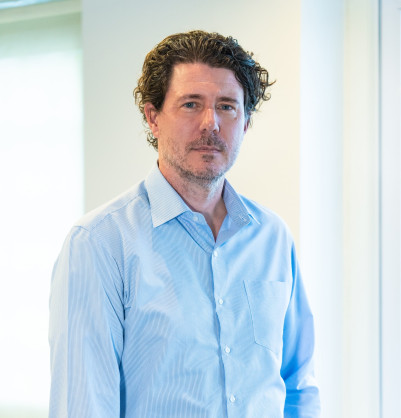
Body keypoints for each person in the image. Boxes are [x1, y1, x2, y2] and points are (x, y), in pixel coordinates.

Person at [49, 30, 320, 417]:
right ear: (153, 118)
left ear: (245, 123)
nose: (211, 124)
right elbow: (84, 405)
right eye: (191, 104)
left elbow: (297, 385)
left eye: (227, 106)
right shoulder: (99, 244)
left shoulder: (272, 238)